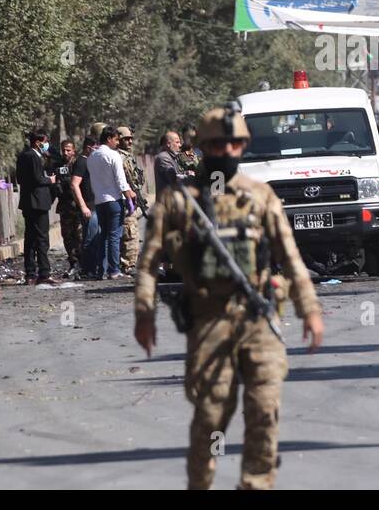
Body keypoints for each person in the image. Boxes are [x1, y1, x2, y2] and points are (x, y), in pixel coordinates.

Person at [133, 106, 324, 490]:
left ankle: (255, 483)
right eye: (219, 143)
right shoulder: (177, 201)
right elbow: (148, 262)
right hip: (209, 322)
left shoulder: (259, 196)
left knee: (265, 411)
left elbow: (290, 257)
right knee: (211, 417)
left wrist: (310, 310)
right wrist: (144, 314)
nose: (228, 150)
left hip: (258, 318)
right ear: (203, 147)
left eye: (236, 143)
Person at [90, 125, 136, 279]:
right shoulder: (113, 155)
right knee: (114, 236)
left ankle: (100, 270)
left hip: (99, 201)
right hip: (114, 201)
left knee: (103, 235)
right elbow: (121, 181)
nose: (118, 143)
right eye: (116, 139)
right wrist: (129, 198)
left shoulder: (92, 157)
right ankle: (114, 270)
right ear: (109, 139)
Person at [16, 130, 57, 285]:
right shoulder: (33, 157)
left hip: (28, 202)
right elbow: (37, 178)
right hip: (38, 202)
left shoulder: (22, 156)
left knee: (30, 239)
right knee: (41, 238)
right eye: (45, 142)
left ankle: (30, 273)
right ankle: (44, 273)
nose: (46, 145)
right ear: (38, 142)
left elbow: (21, 179)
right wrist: (50, 180)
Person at [69, 136, 103, 279]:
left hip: (95, 205)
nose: (97, 150)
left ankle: (92, 268)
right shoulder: (82, 162)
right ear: (89, 147)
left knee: (95, 238)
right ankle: (87, 269)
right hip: (89, 207)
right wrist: (83, 206)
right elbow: (74, 184)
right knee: (90, 238)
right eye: (95, 147)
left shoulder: (90, 161)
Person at [52, 139, 83, 276]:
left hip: (77, 205)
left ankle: (84, 264)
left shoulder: (78, 164)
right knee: (67, 236)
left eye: (68, 150)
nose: (65, 152)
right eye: (63, 150)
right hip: (65, 206)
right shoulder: (58, 165)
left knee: (80, 236)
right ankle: (73, 263)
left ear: (74, 150)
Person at [117, 126, 145, 274]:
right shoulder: (119, 157)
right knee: (129, 232)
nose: (129, 142)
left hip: (132, 196)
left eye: (130, 139)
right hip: (125, 198)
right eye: (126, 139)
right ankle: (128, 264)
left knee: (131, 230)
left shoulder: (128, 156)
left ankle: (130, 263)